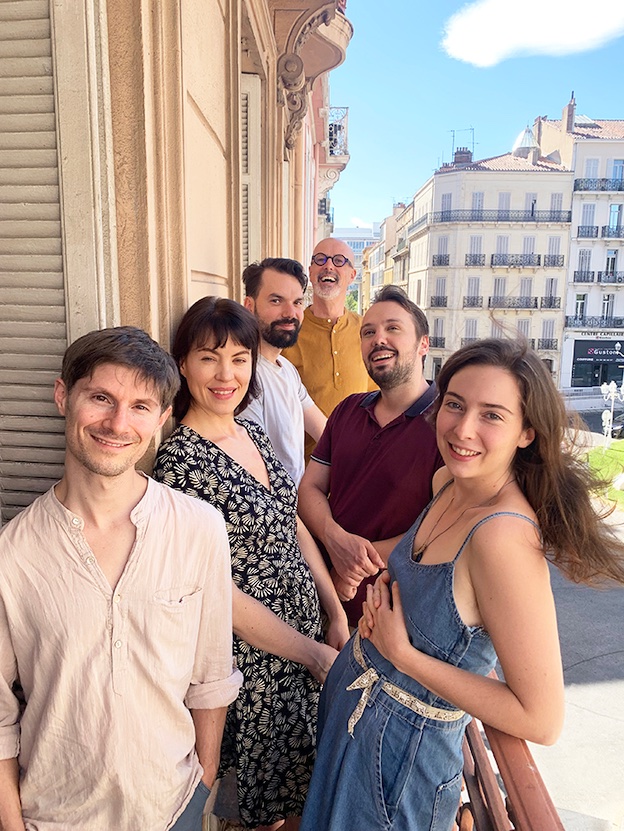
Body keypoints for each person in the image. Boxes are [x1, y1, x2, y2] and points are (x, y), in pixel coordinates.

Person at [300, 338, 624, 831]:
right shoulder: (447, 485)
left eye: (492, 415)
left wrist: (404, 655)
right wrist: (374, 574)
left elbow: (541, 719)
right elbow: (425, 572)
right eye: (454, 404)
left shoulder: (503, 540)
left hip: (399, 773)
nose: (463, 428)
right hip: (354, 728)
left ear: (526, 432)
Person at [0, 326, 243, 831]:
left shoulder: (198, 528)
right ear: (63, 396)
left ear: (162, 417)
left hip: (172, 804)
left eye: (139, 406)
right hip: (53, 816)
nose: (116, 423)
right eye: (100, 398)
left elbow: (212, 675)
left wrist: (204, 781)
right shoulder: (13, 553)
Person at [152, 297, 349, 831]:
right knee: (260, 813)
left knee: (301, 799)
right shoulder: (180, 464)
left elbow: (295, 524)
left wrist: (333, 610)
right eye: (209, 357)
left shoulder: (252, 432)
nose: (227, 374)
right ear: (182, 364)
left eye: (240, 358)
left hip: (306, 648)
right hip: (254, 666)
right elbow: (214, 592)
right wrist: (308, 652)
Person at [298, 285, 443, 626]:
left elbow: (441, 527)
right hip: (327, 603)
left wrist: (353, 561)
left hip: (398, 620)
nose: (378, 339)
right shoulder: (347, 410)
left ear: (424, 344)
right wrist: (335, 541)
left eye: (393, 328)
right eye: (368, 332)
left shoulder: (446, 424)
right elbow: (310, 489)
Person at [282, 237, 376, 458]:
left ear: (352, 275)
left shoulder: (368, 330)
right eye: (320, 259)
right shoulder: (288, 330)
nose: (329, 265)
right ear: (311, 271)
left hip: (356, 465)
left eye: (339, 260)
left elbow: (379, 397)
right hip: (300, 468)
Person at [239, 257, 327, 485]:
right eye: (276, 301)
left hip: (300, 505)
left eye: (297, 302)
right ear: (250, 306)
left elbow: (325, 433)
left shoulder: (286, 368)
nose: (290, 313)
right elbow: (257, 472)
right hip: (278, 514)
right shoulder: (243, 375)